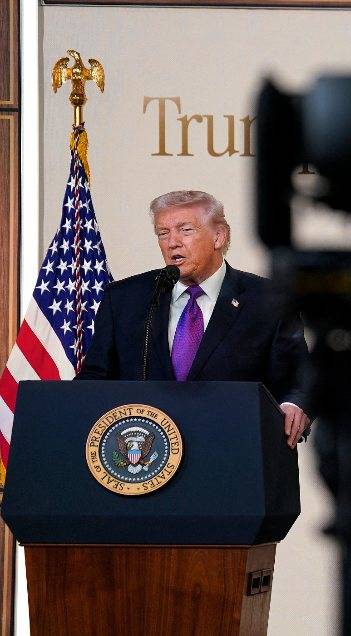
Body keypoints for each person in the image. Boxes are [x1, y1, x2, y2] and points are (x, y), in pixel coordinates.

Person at [76, 190, 310, 448]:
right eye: (163, 233)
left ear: (218, 236)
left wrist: (293, 405)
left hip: (235, 452)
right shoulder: (125, 298)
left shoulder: (268, 300)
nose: (172, 242)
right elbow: (94, 378)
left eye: (185, 230)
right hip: (144, 458)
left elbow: (298, 378)